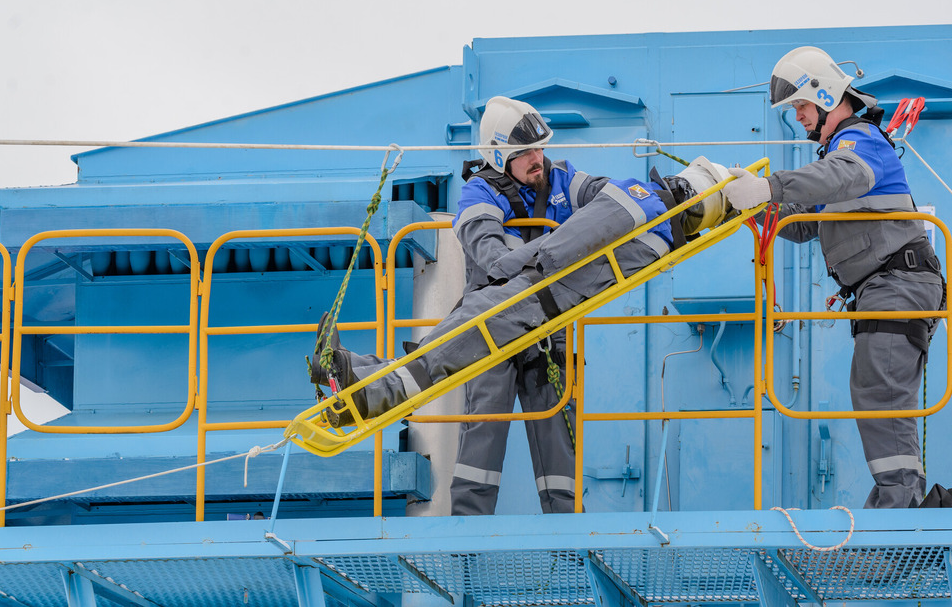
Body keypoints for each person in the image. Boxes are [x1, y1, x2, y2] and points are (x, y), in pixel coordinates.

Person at [312, 158, 731, 445]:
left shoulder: (644, 201)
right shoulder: (664, 236)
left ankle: (362, 396)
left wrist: (515, 264)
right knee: (456, 338)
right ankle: (354, 373)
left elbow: (572, 240)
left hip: (537, 287)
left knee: (458, 337)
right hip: (547, 294)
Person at [721, 46, 944, 509]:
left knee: (878, 387)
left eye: (802, 107)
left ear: (824, 96)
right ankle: (903, 500)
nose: (799, 119)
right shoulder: (836, 161)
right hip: (887, 288)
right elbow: (803, 225)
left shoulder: (858, 141)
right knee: (878, 388)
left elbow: (839, 175)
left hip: (896, 284)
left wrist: (769, 186)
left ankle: (899, 510)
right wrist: (752, 206)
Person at [450, 96, 608, 515]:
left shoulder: (562, 178)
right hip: (492, 330)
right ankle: (468, 544)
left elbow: (601, 195)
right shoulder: (478, 191)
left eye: (539, 148)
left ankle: (570, 543)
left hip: (546, 328)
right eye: (524, 153)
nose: (537, 158)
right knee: (483, 432)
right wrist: (561, 246)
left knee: (558, 432)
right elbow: (489, 254)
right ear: (499, 157)